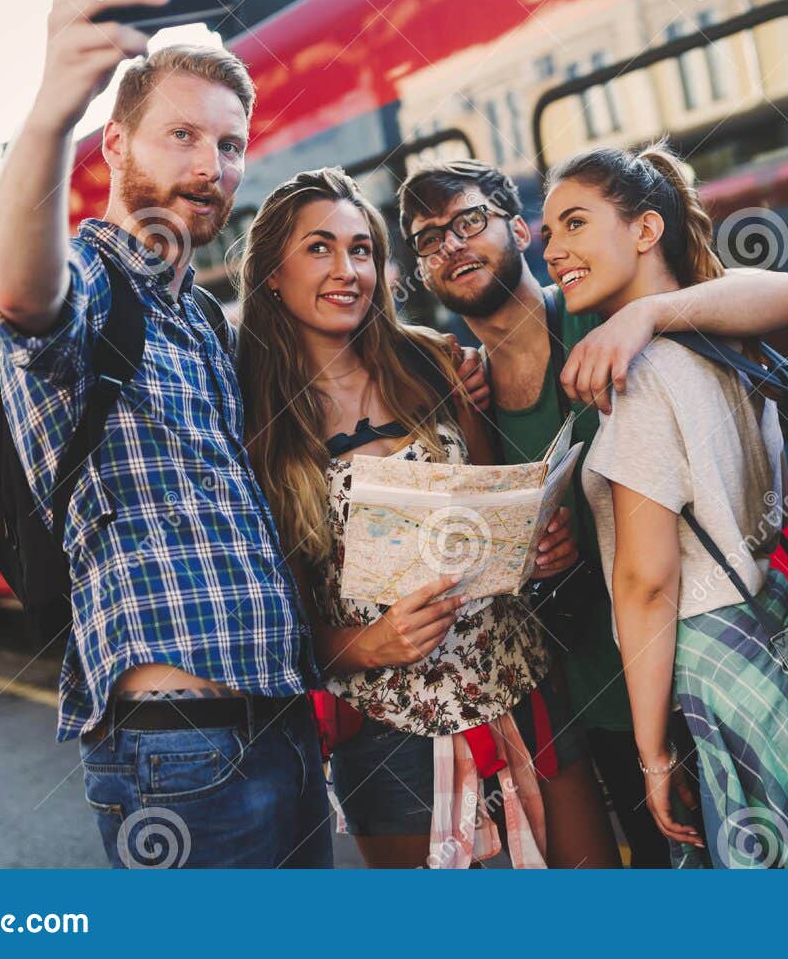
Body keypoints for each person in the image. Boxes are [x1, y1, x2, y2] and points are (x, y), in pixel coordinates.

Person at [0, 0, 330, 867]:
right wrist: (56, 100)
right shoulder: (90, 285)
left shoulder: (203, 318)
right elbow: (21, 295)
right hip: (179, 753)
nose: (211, 165)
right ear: (116, 147)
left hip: (284, 729)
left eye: (229, 144)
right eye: (181, 135)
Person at [399, 158, 788, 867]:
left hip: (693, 669)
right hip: (592, 693)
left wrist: (647, 315)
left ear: (519, 228)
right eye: (429, 238)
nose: (452, 245)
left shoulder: (602, 306)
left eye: (469, 220)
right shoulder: (462, 390)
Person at [237, 166, 620, 868]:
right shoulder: (259, 427)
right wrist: (372, 642)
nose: (347, 268)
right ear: (271, 275)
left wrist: (533, 546)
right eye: (319, 248)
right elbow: (273, 626)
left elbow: (487, 502)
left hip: (519, 681)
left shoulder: (434, 361)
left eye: (362, 249)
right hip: (391, 739)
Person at [543, 141, 788, 868]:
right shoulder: (725, 342)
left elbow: (648, 582)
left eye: (574, 223)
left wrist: (650, 754)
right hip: (767, 626)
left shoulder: (641, 375)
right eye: (548, 232)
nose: (552, 250)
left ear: (646, 230)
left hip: (712, 657)